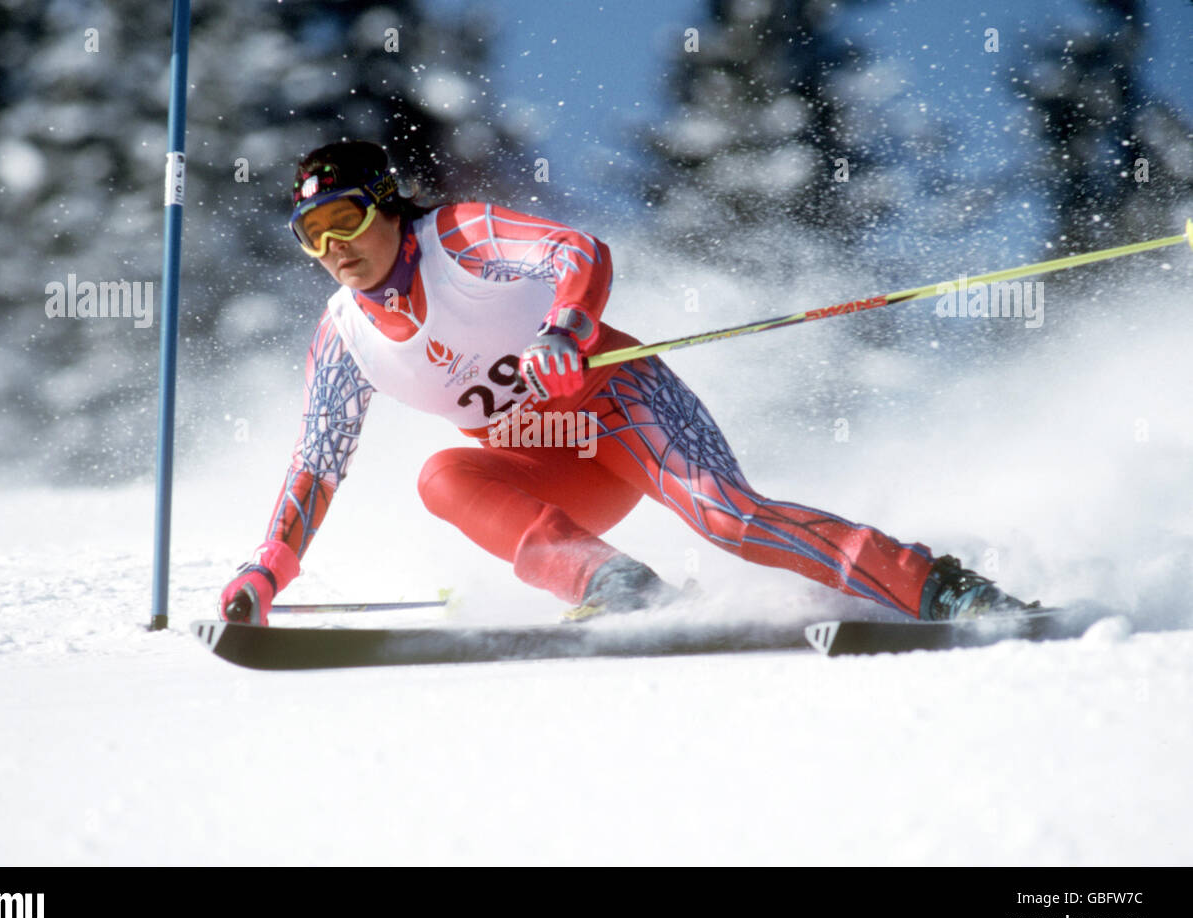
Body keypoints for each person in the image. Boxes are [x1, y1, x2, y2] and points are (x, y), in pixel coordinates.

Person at [219, 140, 1032, 625]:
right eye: (311, 236)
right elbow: (316, 465)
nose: (333, 247)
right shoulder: (343, 336)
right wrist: (268, 569)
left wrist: (565, 327)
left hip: (616, 402)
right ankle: (614, 585)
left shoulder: (458, 236)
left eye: (348, 220)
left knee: (727, 517)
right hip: (548, 461)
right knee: (442, 476)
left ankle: (940, 589)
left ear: (390, 208)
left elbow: (579, 250)